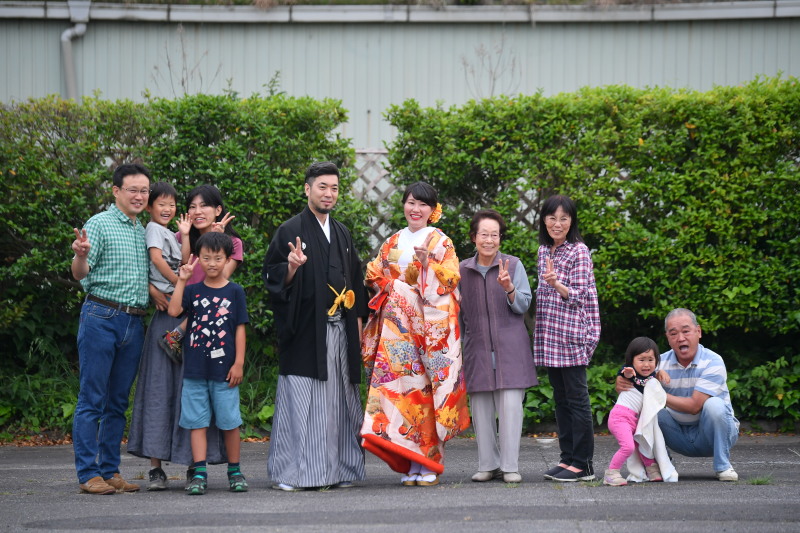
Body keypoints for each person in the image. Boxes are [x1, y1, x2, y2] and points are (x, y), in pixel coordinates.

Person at [263, 161, 368, 491]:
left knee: (340, 402)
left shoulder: (342, 232)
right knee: (303, 402)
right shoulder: (290, 230)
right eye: (322, 186)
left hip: (340, 329)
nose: (329, 193)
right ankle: (294, 473)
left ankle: (341, 470)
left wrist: (360, 328)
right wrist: (291, 268)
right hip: (307, 331)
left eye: (334, 188)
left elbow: (356, 282)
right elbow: (272, 277)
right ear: (307, 189)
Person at [360, 181, 470, 487]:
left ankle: (430, 461)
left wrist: (426, 267)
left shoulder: (441, 241)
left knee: (427, 392)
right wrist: (392, 286)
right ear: (404, 205)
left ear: (433, 210)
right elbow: (374, 273)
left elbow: (449, 282)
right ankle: (410, 461)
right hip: (398, 334)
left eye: (423, 204)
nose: (415, 209)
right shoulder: (393, 242)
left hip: (430, 333)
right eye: (411, 202)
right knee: (401, 392)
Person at [70, 163, 152, 494]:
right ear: (116, 191)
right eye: (132, 189)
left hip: (134, 322)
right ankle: (88, 474)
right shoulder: (100, 224)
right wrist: (80, 255)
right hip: (101, 317)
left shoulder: (140, 228)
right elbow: (80, 273)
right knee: (92, 397)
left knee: (117, 402)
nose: (139, 196)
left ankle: (109, 470)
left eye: (144, 190)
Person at [127, 182, 208, 491]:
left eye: (173, 204)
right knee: (158, 389)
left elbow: (186, 258)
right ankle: (155, 468)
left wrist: (186, 234)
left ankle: (192, 463)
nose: (167, 208)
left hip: (188, 319)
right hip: (165, 318)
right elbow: (153, 264)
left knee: (190, 390)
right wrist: (178, 284)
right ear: (150, 206)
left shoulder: (177, 235)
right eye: (161, 203)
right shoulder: (150, 231)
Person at [168, 232, 249, 496]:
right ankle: (199, 472)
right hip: (194, 370)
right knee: (196, 422)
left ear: (227, 259)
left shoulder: (235, 291)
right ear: (198, 259)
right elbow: (173, 311)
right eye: (206, 258)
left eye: (218, 258)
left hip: (225, 371)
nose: (212, 263)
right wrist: (181, 280)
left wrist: (238, 363)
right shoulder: (192, 290)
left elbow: (239, 329)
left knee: (230, 421)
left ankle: (235, 471)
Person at [459, 209, 537, 484]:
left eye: (494, 235)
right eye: (484, 234)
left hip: (510, 347)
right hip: (477, 347)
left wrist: (508, 289)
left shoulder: (513, 266)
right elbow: (456, 315)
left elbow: (524, 305)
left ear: (500, 238)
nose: (489, 240)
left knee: (511, 408)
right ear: (473, 237)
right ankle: (487, 464)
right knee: (480, 409)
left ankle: (510, 466)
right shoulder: (461, 270)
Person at [617, 308, 740, 481]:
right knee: (649, 410)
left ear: (698, 332)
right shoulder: (659, 364)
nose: (680, 338)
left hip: (712, 434)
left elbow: (694, 406)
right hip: (679, 435)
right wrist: (623, 381)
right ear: (667, 338)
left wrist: (656, 394)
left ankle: (723, 466)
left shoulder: (713, 361)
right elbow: (636, 384)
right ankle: (663, 463)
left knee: (714, 405)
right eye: (673, 333)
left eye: (686, 331)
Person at [534, 194, 601, 482]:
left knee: (577, 400)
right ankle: (567, 459)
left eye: (563, 218)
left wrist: (556, 283)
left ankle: (583, 464)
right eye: (552, 217)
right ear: (544, 220)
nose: (557, 223)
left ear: (571, 221)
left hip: (573, 335)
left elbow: (579, 295)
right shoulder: (543, 250)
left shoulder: (579, 251)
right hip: (551, 336)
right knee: (561, 400)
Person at [159, 184, 242, 357]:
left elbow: (223, 276)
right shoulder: (182, 236)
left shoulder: (233, 243)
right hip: (176, 306)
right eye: (192, 206)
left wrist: (218, 241)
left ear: (218, 209)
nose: (197, 211)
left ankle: (174, 336)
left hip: (207, 313)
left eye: (204, 205)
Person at [604, 336, 678, 486]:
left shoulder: (651, 377)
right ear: (631, 360)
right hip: (620, 418)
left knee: (643, 442)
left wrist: (660, 372)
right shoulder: (630, 373)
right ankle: (611, 473)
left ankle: (651, 469)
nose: (646, 365)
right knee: (628, 446)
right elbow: (626, 373)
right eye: (641, 360)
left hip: (635, 419)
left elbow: (651, 379)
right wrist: (628, 372)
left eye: (650, 360)